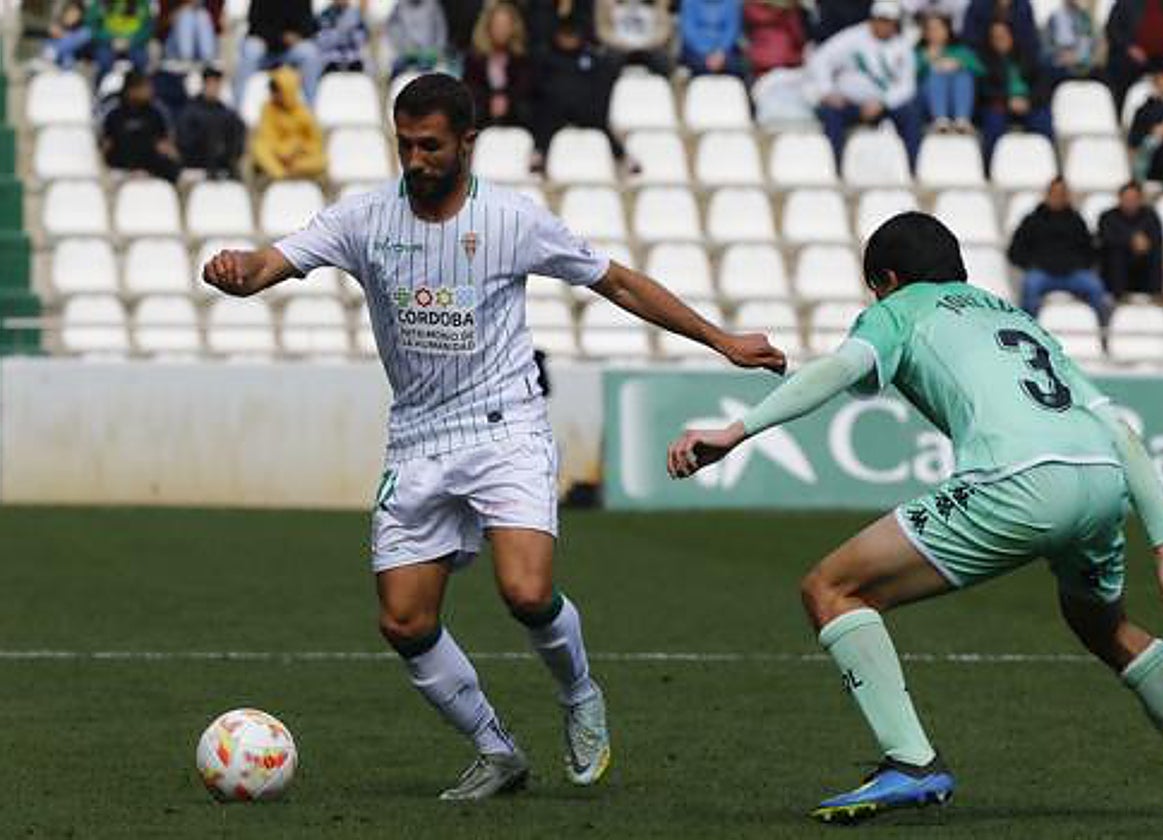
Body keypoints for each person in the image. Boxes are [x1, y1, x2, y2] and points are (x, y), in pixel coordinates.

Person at [202, 72, 786, 801]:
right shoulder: (364, 218)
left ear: (467, 142)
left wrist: (721, 339)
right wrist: (238, 270)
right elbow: (272, 262)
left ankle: (579, 693)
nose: (416, 160)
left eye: (430, 146)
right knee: (404, 622)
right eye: (405, 145)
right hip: (417, 438)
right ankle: (496, 749)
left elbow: (618, 282)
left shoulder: (514, 220)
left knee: (526, 591)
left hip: (505, 426)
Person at [667, 210, 1163, 823]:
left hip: (1017, 480)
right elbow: (1120, 431)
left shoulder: (899, 308)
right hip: (1102, 478)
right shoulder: (1012, 316)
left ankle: (912, 761)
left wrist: (736, 430)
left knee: (832, 589)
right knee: (1102, 624)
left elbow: (844, 369)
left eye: (875, 289)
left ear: (888, 280)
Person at [809, 0, 923, 170]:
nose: (884, 26)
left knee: (911, 115)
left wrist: (883, 102)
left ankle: (913, 168)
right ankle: (835, 168)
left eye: (889, 22)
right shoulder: (852, 37)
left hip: (883, 105)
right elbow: (821, 59)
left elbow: (907, 85)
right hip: (849, 102)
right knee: (830, 114)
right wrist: (828, 91)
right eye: (881, 20)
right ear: (872, 19)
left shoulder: (902, 46)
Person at [531, 20, 638, 175]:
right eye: (565, 35)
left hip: (587, 111)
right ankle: (539, 154)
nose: (569, 40)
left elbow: (601, 87)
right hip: (556, 111)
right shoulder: (546, 59)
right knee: (546, 114)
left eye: (572, 35)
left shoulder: (592, 58)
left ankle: (622, 157)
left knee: (599, 120)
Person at [1008, 177, 1111, 324]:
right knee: (1030, 287)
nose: (1058, 197)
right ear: (1047, 194)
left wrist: (1079, 264)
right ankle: (1027, 330)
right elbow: (1014, 251)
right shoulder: (1031, 220)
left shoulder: (1077, 221)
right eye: (1055, 193)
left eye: (1062, 193)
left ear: (1067, 196)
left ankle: (1102, 331)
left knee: (1096, 288)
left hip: (1073, 274)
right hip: (1042, 273)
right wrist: (1032, 264)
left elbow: (1089, 250)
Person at [977, 20, 1053, 168]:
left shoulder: (1029, 57)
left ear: (1012, 36)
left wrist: (1028, 101)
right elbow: (984, 89)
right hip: (1000, 104)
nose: (999, 40)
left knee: (1043, 120)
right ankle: (989, 168)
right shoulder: (984, 60)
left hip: (1030, 103)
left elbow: (1042, 86)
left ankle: (1048, 167)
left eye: (1003, 36)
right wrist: (1008, 101)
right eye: (995, 37)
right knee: (993, 122)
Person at [1105, 0, 1163, 109]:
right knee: (1119, 71)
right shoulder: (1124, 4)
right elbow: (1112, 30)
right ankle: (1120, 113)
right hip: (1135, 59)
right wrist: (1129, 47)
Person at [234, 0, 322, 106]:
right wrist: (280, 37)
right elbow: (255, 25)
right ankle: (236, 108)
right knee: (250, 49)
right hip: (265, 48)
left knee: (310, 53)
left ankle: (310, 109)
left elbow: (308, 24)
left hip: (289, 51)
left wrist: (298, 35)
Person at [462, 1, 534, 131]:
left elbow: (524, 89)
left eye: (506, 25)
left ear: (513, 28)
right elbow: (471, 89)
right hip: (482, 120)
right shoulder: (474, 58)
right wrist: (490, 101)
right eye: (497, 25)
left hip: (515, 120)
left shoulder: (521, 58)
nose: (501, 30)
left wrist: (506, 100)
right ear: (488, 27)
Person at [100, 69, 181, 182]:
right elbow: (105, 147)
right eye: (145, 87)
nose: (150, 91)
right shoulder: (114, 114)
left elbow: (166, 146)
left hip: (151, 170)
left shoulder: (156, 113)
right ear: (131, 90)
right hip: (120, 170)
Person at [250, 66, 326, 180]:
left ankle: (293, 171)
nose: (273, 94)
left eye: (277, 91)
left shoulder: (303, 112)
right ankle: (281, 176)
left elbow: (316, 142)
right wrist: (283, 151)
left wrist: (298, 148)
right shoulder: (267, 108)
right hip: (277, 156)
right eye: (272, 91)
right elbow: (267, 137)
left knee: (322, 160)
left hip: (298, 157)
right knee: (259, 147)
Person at [1098, 182, 1163, 299]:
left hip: (1143, 259)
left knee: (1156, 255)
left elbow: (1156, 238)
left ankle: (1155, 295)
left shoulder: (1150, 215)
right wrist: (1131, 241)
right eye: (1127, 199)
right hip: (1118, 261)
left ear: (1140, 199)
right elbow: (1106, 239)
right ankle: (1118, 296)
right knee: (1116, 255)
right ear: (1120, 199)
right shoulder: (1108, 216)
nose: (1130, 202)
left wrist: (1144, 244)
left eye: (1134, 199)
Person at [916, 13, 982, 132]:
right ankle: (940, 119)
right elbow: (905, 77)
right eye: (930, 29)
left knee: (963, 75)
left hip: (957, 101)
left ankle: (962, 119)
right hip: (927, 104)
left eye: (938, 28)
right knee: (936, 74)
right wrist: (925, 62)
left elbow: (981, 71)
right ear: (924, 33)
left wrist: (959, 64)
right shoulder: (918, 52)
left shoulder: (960, 50)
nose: (934, 32)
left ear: (947, 30)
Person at [177, 66, 246, 178]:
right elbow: (184, 143)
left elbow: (237, 142)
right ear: (204, 84)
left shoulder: (227, 113)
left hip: (223, 169)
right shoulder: (190, 112)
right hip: (196, 168)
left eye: (217, 83)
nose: (214, 87)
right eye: (210, 83)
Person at [595, 0, 674, 77]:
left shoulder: (658, 3)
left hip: (649, 46)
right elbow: (603, 31)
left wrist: (649, 44)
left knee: (663, 62)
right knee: (609, 61)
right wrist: (619, 43)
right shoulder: (607, 3)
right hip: (619, 47)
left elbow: (663, 30)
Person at [85, 0, 153, 79]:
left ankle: (136, 83)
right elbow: (91, 26)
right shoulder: (101, 3)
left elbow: (148, 28)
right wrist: (110, 40)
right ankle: (103, 83)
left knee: (141, 59)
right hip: (108, 44)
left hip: (134, 44)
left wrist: (132, 41)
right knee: (103, 59)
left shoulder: (142, 3)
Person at [743, 0, 809, 80]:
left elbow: (745, 34)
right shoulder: (788, 11)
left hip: (760, 62)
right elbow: (798, 36)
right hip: (787, 60)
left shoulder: (749, 8)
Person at [679, 0, 744, 78]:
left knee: (739, 65)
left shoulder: (731, 3)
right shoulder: (689, 2)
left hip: (724, 53)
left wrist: (720, 52)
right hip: (696, 52)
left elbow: (731, 31)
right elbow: (689, 32)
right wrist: (706, 53)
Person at [385, 0, 449, 75]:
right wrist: (403, 47)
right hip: (406, 57)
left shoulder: (432, 4)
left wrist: (437, 49)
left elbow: (440, 28)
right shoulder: (400, 6)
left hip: (428, 56)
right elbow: (392, 29)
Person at [961, 0, 1039, 57]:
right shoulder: (978, 5)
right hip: (985, 55)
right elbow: (969, 40)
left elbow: (1030, 39)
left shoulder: (1023, 6)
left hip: (1018, 55)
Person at [158, 0, 221, 64]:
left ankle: (208, 59)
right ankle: (186, 59)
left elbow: (219, 26)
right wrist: (182, 10)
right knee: (186, 17)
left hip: (200, 51)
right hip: (175, 50)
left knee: (202, 16)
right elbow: (161, 25)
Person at [315, 0, 370, 74]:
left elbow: (361, 41)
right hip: (331, 61)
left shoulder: (356, 14)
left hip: (353, 59)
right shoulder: (324, 15)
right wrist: (339, 31)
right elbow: (322, 43)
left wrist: (351, 31)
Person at [1045, 0, 1095, 81]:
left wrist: (1077, 57)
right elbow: (1047, 47)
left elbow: (1088, 45)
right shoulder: (1053, 17)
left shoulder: (1084, 17)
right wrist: (1058, 56)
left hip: (1079, 64)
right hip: (1058, 62)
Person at [42, 1, 92, 69]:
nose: (71, 16)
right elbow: (47, 49)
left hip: (71, 68)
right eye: (70, 12)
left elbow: (67, 46)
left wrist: (61, 35)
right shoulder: (56, 29)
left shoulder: (84, 32)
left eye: (76, 15)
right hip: (51, 66)